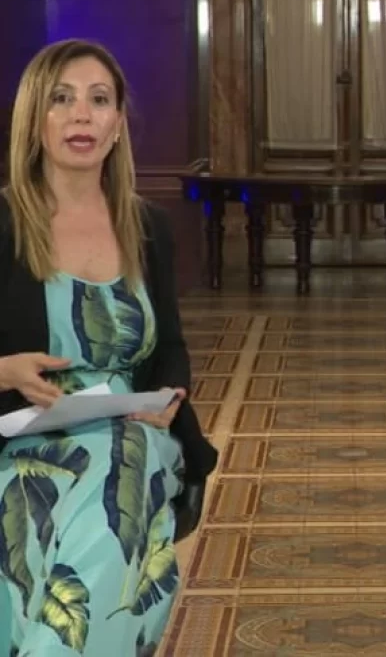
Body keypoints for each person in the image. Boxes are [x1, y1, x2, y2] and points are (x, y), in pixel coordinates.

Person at [0, 39, 218, 656]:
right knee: (47, 502)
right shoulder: (4, 222)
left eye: (99, 100)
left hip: (132, 427)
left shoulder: (147, 226)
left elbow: (169, 345)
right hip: (22, 432)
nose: (81, 115)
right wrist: (4, 369)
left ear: (118, 123)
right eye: (61, 99)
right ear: (35, 120)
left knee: (120, 466)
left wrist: (170, 396)